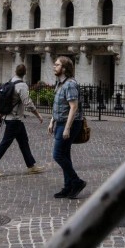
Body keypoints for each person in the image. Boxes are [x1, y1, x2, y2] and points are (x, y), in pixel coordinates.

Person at [0, 64, 46, 177]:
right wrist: (38, 115)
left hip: (11, 118)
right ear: (25, 73)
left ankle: (31, 166)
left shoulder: (10, 82)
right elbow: (28, 103)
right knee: (5, 144)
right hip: (14, 120)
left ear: (15, 71)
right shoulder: (22, 85)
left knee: (24, 142)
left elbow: (3, 100)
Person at [48, 56, 86, 199]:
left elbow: (73, 107)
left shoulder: (70, 84)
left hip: (69, 123)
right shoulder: (60, 83)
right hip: (60, 122)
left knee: (58, 155)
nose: (54, 66)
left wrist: (67, 128)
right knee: (65, 155)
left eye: (57, 65)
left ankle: (76, 181)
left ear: (64, 68)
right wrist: (52, 121)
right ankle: (68, 186)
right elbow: (58, 105)